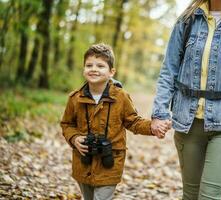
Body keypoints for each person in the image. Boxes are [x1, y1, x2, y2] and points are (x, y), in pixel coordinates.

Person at [151, 0, 221, 199]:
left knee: (210, 196)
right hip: (188, 122)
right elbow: (169, 71)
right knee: (191, 195)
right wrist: (159, 113)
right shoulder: (187, 20)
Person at [60, 43, 171, 200]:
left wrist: (152, 127)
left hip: (110, 161)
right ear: (83, 69)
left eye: (100, 66)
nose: (93, 69)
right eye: (89, 65)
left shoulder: (121, 97)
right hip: (83, 161)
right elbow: (67, 124)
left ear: (111, 72)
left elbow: (133, 122)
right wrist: (74, 138)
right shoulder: (75, 98)